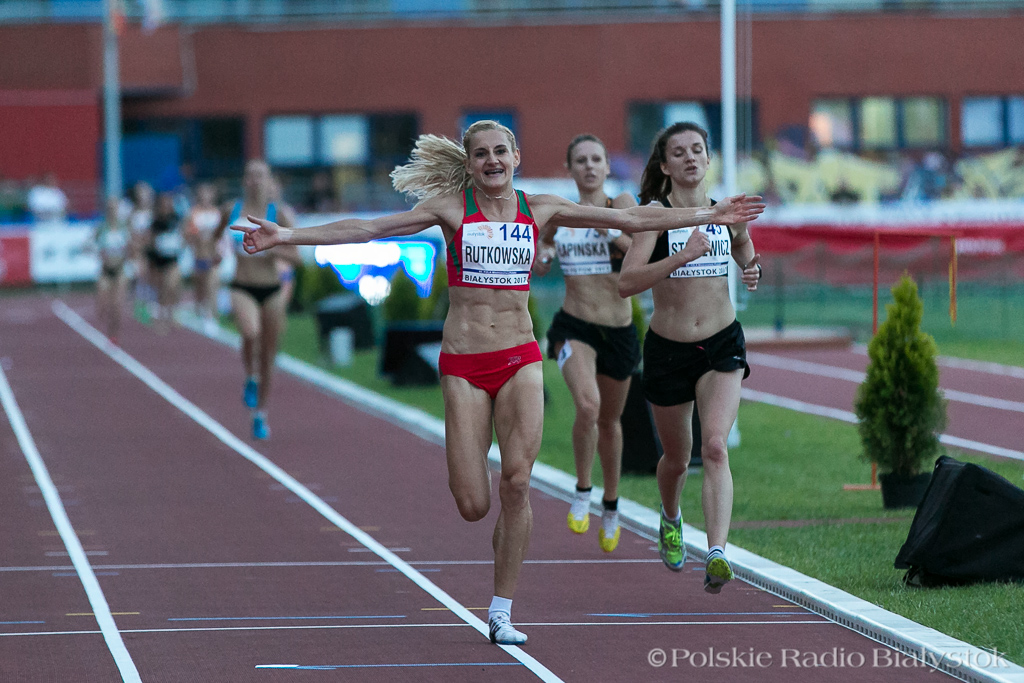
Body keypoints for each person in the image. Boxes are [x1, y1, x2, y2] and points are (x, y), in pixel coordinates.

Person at [233, 120, 764, 645]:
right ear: (469, 164)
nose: (492, 161)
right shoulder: (449, 209)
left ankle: (502, 610)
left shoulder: (542, 208)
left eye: (501, 152)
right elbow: (371, 228)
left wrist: (711, 214)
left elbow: (630, 217)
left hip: (521, 356)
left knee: (517, 482)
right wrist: (287, 235)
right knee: (473, 503)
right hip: (464, 363)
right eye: (481, 153)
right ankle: (502, 530)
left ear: (516, 157)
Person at [618, 121, 764, 595]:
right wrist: (680, 256)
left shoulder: (727, 211)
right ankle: (671, 516)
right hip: (667, 349)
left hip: (721, 342)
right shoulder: (654, 216)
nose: (689, 158)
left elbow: (742, 245)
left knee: (715, 446)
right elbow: (627, 281)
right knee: (677, 460)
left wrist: (751, 267)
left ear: (708, 158)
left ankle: (717, 552)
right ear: (665, 165)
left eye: (697, 150)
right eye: (678, 152)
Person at [533, 134, 639, 553]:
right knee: (588, 406)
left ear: (607, 167)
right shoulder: (561, 213)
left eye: (597, 159)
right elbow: (541, 253)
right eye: (581, 160)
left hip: (620, 331)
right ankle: (582, 490)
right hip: (574, 326)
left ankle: (610, 506)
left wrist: (608, 231)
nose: (590, 166)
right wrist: (541, 257)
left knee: (610, 423)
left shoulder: (622, 204)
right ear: (570, 168)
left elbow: (639, 250)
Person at [214, 159, 302, 441]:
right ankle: (250, 376)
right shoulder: (232, 210)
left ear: (268, 180)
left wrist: (272, 248)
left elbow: (297, 258)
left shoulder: (280, 214)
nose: (254, 180)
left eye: (260, 175)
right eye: (250, 175)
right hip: (242, 285)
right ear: (244, 180)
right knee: (250, 332)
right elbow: (215, 237)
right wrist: (214, 253)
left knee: (269, 356)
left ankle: (260, 414)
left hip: (272, 289)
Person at [143, 192, 185, 332]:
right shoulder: (155, 222)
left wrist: (180, 245)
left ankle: (172, 313)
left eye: (168, 203)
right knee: (162, 290)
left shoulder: (176, 219)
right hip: (158, 260)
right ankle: (161, 316)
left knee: (173, 285)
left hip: (172, 259)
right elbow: (150, 240)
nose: (166, 206)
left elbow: (182, 235)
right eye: (164, 204)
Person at [185, 182, 223, 330]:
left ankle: (213, 316)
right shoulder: (194, 213)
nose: (205, 196)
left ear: (213, 195)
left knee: (212, 286)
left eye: (208, 193)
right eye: (202, 193)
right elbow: (188, 234)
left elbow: (222, 235)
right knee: (200, 289)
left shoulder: (218, 213)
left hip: (213, 257)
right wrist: (197, 235)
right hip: (198, 256)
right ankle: (200, 311)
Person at [93, 196, 131, 344]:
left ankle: (113, 332)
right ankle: (106, 318)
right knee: (103, 305)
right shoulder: (101, 228)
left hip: (120, 270)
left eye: (114, 209)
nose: (112, 211)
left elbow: (131, 247)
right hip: (105, 271)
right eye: (109, 209)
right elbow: (92, 244)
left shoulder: (124, 227)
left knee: (117, 305)